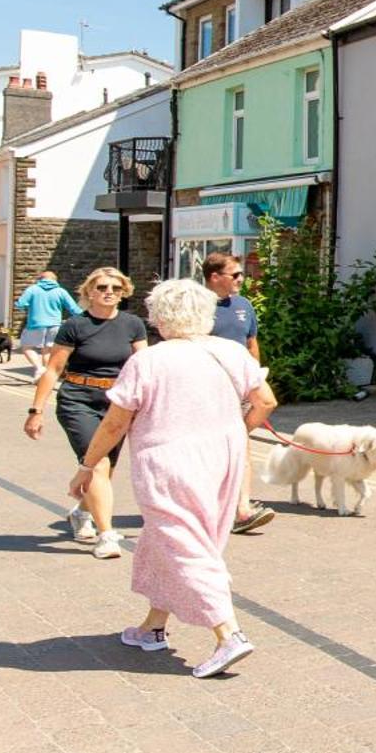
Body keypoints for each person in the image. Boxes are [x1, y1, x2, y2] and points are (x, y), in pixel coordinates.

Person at [69, 278, 277, 677]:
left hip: (168, 461)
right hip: (223, 457)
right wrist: (235, 431)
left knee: (183, 542)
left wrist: (87, 465)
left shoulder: (150, 360)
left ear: (160, 317)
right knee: (168, 539)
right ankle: (153, 627)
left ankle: (228, 634)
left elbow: (115, 423)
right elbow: (265, 401)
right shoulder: (232, 352)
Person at [24, 267, 147, 558]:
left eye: (116, 288)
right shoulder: (75, 325)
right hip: (78, 399)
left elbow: (144, 367)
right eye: (102, 287)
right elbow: (53, 369)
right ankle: (106, 536)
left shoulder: (133, 325)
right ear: (89, 291)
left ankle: (81, 512)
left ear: (124, 292)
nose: (109, 292)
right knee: (98, 464)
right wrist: (36, 410)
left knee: (106, 470)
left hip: (117, 404)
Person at [201, 252, 276, 535]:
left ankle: (242, 510)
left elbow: (251, 343)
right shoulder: (196, 306)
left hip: (239, 386)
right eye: (235, 275)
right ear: (214, 277)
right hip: (206, 387)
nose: (241, 280)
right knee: (206, 450)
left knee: (244, 439)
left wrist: (255, 375)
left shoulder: (243, 305)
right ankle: (211, 507)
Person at [15, 270, 81, 383]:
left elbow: (21, 304)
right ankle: (46, 377)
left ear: (40, 278)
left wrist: (26, 305)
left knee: (26, 346)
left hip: (35, 324)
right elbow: (74, 309)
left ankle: (39, 368)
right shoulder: (60, 291)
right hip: (55, 325)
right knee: (48, 350)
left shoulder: (33, 289)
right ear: (55, 280)